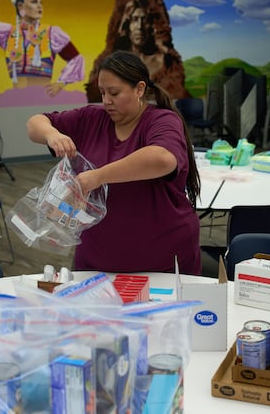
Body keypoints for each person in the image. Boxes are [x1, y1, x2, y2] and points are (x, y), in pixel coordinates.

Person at [26, 50, 202, 275]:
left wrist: (97, 177)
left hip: (161, 260)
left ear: (139, 89)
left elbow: (162, 158)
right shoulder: (91, 118)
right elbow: (35, 123)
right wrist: (52, 134)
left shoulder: (162, 120)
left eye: (114, 93)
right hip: (98, 259)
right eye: (102, 92)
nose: (106, 101)